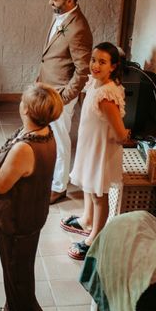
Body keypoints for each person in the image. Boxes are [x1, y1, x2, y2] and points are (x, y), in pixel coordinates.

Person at [0, 83, 63, 311]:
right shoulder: (44, 132)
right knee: (16, 272)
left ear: (26, 109)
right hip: (30, 215)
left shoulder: (26, 147)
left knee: (18, 278)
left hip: (16, 222)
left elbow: (1, 184)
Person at [60, 42, 130, 260]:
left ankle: (94, 238)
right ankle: (86, 219)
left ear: (113, 66)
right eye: (93, 60)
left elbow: (120, 133)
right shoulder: (94, 84)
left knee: (99, 193)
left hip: (101, 150)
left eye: (102, 62)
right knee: (89, 186)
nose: (95, 65)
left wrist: (125, 136)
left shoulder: (106, 95)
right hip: (90, 145)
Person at [36, 0, 93, 204]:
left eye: (54, 0)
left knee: (60, 140)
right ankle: (49, 177)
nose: (50, 3)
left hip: (60, 94)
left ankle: (59, 186)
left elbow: (83, 71)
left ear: (70, 1)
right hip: (47, 86)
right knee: (47, 136)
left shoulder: (78, 28)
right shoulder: (60, 16)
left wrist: (66, 97)